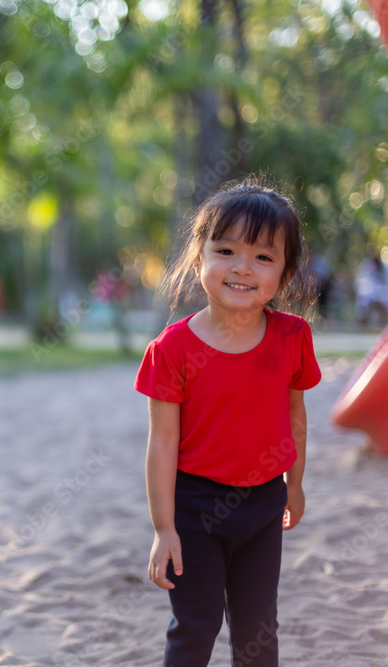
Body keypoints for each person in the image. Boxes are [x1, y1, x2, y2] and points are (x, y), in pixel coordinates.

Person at [134, 179, 321, 666]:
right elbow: (161, 444)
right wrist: (163, 528)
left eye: (264, 257)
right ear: (199, 260)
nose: (242, 267)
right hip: (194, 509)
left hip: (264, 504)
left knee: (258, 631)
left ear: (285, 272)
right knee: (196, 627)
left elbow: (296, 416)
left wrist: (294, 485)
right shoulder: (171, 350)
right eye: (226, 250)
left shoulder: (292, 337)